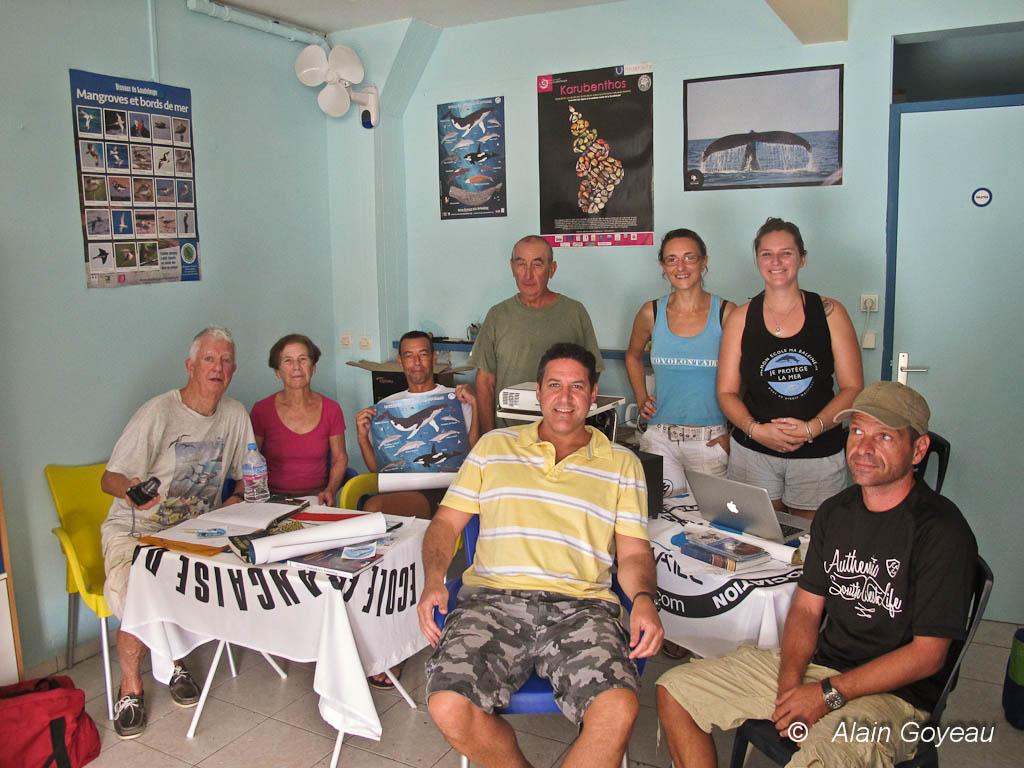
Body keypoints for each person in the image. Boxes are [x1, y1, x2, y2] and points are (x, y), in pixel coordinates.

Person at [656, 381, 978, 768]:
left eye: (885, 437)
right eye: (857, 431)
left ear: (918, 450)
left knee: (824, 759)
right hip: (822, 667)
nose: (864, 448)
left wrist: (827, 694)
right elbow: (807, 610)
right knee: (675, 692)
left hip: (896, 696)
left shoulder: (941, 531)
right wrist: (792, 683)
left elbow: (928, 656)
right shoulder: (836, 513)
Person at [418, 342, 664, 768]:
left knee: (618, 710)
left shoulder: (622, 463)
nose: (564, 398)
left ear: (593, 394)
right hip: (493, 603)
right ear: (538, 391)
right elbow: (443, 525)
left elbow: (634, 553)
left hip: (582, 610)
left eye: (576, 387)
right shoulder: (494, 447)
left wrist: (643, 600)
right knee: (448, 706)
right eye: (554, 385)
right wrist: (434, 580)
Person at [99, 326, 254, 739]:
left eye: (224, 361)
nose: (217, 367)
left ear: (234, 370)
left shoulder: (236, 415)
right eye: (209, 359)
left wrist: (238, 497)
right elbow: (108, 479)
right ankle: (131, 686)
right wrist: (131, 492)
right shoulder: (158, 412)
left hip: (195, 530)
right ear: (190, 365)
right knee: (140, 589)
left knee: (224, 577)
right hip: (138, 528)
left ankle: (174, 662)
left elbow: (247, 479)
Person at [717, 217, 863, 518]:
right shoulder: (741, 318)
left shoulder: (830, 313)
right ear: (757, 260)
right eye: (767, 253)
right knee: (755, 544)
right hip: (754, 453)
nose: (776, 261)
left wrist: (813, 428)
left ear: (802, 258)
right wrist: (755, 430)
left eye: (786, 253)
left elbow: (853, 388)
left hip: (818, 455)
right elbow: (727, 392)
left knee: (812, 547)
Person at [625, 228, 736, 498]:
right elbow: (632, 355)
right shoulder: (650, 312)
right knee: (660, 521)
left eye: (689, 258)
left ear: (704, 261)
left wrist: (734, 434)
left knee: (713, 527)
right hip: (660, 438)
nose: (681, 267)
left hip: (710, 441)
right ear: (663, 266)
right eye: (672, 259)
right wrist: (641, 399)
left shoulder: (726, 313)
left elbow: (744, 375)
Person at [469, 235, 604, 432]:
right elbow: (485, 381)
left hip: (561, 433)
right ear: (512, 267)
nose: (528, 275)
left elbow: (592, 372)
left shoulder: (574, 312)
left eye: (537, 265)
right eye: (521, 264)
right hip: (509, 434)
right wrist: (490, 436)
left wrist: (569, 416)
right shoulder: (497, 315)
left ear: (552, 269)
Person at [355, 330, 479, 518]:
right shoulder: (385, 407)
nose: (417, 362)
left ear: (434, 357)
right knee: (373, 506)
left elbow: (473, 451)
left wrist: (475, 404)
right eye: (409, 356)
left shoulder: (457, 400)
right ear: (400, 361)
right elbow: (377, 468)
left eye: (423, 354)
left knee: (373, 507)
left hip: (446, 490)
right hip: (400, 491)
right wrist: (362, 437)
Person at [250, 334, 347, 505]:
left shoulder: (332, 409)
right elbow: (250, 458)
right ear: (277, 372)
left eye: (303, 359)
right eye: (288, 361)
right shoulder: (261, 410)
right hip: (271, 500)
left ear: (313, 367)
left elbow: (339, 458)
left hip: (316, 498)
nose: (296, 367)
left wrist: (330, 490)